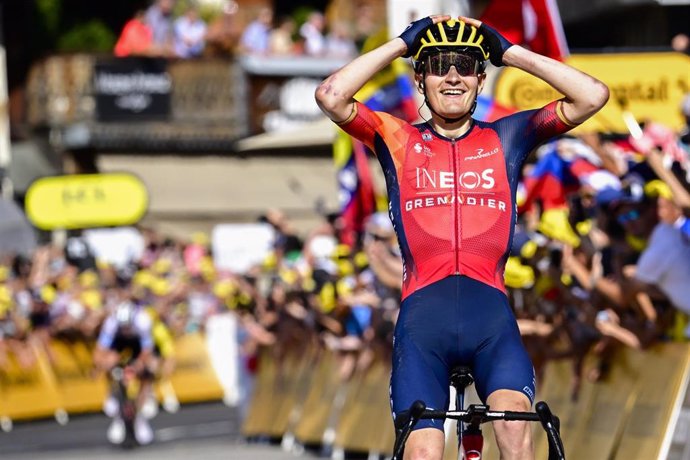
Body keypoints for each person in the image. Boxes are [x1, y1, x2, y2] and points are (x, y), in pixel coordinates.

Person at [315, 14, 609, 460]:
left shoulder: (508, 135)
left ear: (480, 77)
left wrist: (508, 51)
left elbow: (593, 96)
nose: (452, 76)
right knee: (424, 453)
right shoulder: (396, 138)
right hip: (422, 324)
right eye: (438, 64)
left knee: (515, 427)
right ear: (420, 78)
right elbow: (331, 96)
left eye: (466, 64)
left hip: (490, 318)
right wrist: (400, 43)